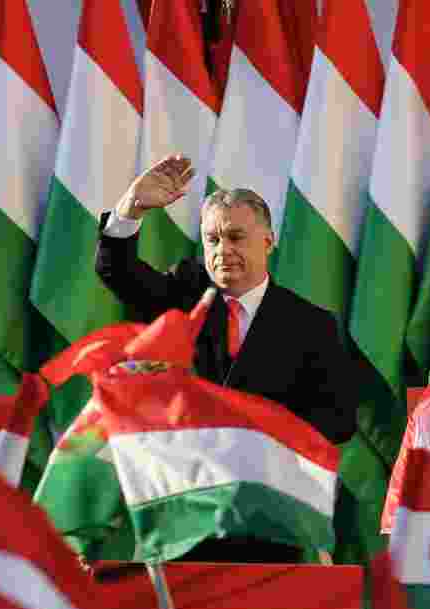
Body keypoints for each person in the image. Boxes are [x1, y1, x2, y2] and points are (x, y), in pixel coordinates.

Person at [95, 154, 358, 562]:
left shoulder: (311, 324)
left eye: (236, 237)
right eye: (213, 239)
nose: (223, 251)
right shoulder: (184, 293)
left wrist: (253, 434)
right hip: (186, 515)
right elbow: (118, 270)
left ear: (268, 241)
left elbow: (338, 420)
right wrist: (130, 208)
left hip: (269, 521)